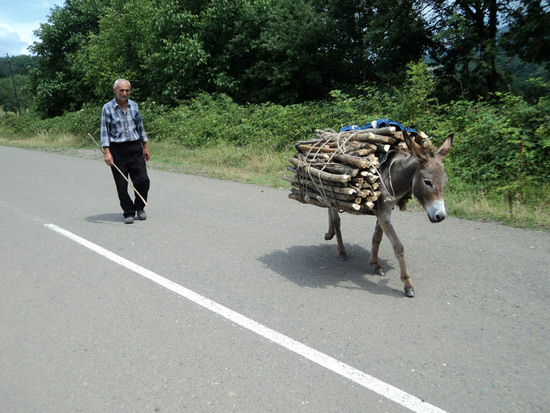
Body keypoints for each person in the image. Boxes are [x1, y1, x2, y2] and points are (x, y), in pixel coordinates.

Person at [100, 78, 150, 224]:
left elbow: (140, 127)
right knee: (122, 184)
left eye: (127, 90)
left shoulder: (134, 106)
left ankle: (139, 207)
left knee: (143, 180)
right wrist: (107, 152)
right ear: (115, 90)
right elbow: (104, 131)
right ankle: (128, 211)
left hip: (135, 148)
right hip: (117, 150)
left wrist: (145, 147)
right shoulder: (107, 108)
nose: (124, 93)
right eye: (121, 90)